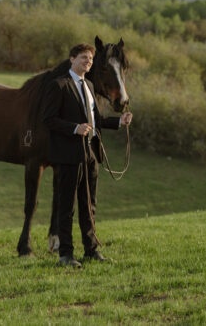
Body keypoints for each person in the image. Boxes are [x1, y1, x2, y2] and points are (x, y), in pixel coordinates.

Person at [43, 43, 133, 268]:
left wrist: (118, 122)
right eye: (83, 58)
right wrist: (74, 128)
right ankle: (65, 254)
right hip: (68, 155)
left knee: (89, 205)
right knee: (67, 207)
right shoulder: (59, 86)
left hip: (91, 153)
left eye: (91, 59)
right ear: (72, 59)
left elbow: (97, 121)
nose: (88, 62)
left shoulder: (90, 86)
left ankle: (91, 250)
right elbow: (48, 120)